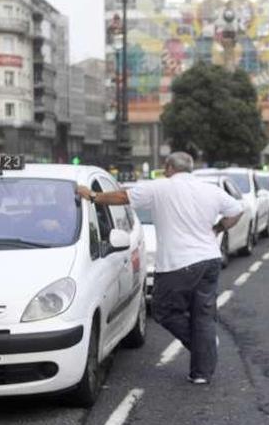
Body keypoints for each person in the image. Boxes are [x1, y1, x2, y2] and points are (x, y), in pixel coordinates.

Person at [77, 152, 243, 384]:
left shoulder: (160, 187)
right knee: (203, 316)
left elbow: (122, 197)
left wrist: (93, 195)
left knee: (163, 310)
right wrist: (217, 229)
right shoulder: (210, 190)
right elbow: (236, 210)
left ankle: (202, 344)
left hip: (178, 263)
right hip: (210, 260)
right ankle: (201, 371)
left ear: (168, 167)